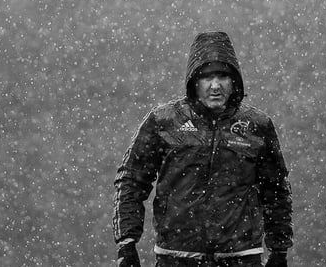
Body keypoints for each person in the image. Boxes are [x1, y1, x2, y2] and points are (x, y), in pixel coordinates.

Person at [113, 31, 293, 266]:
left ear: (234, 81)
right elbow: (130, 181)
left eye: (222, 77)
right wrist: (126, 243)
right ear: (194, 81)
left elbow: (277, 190)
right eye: (207, 77)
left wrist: (279, 250)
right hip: (176, 257)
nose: (215, 86)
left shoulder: (257, 126)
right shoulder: (164, 121)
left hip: (241, 257)